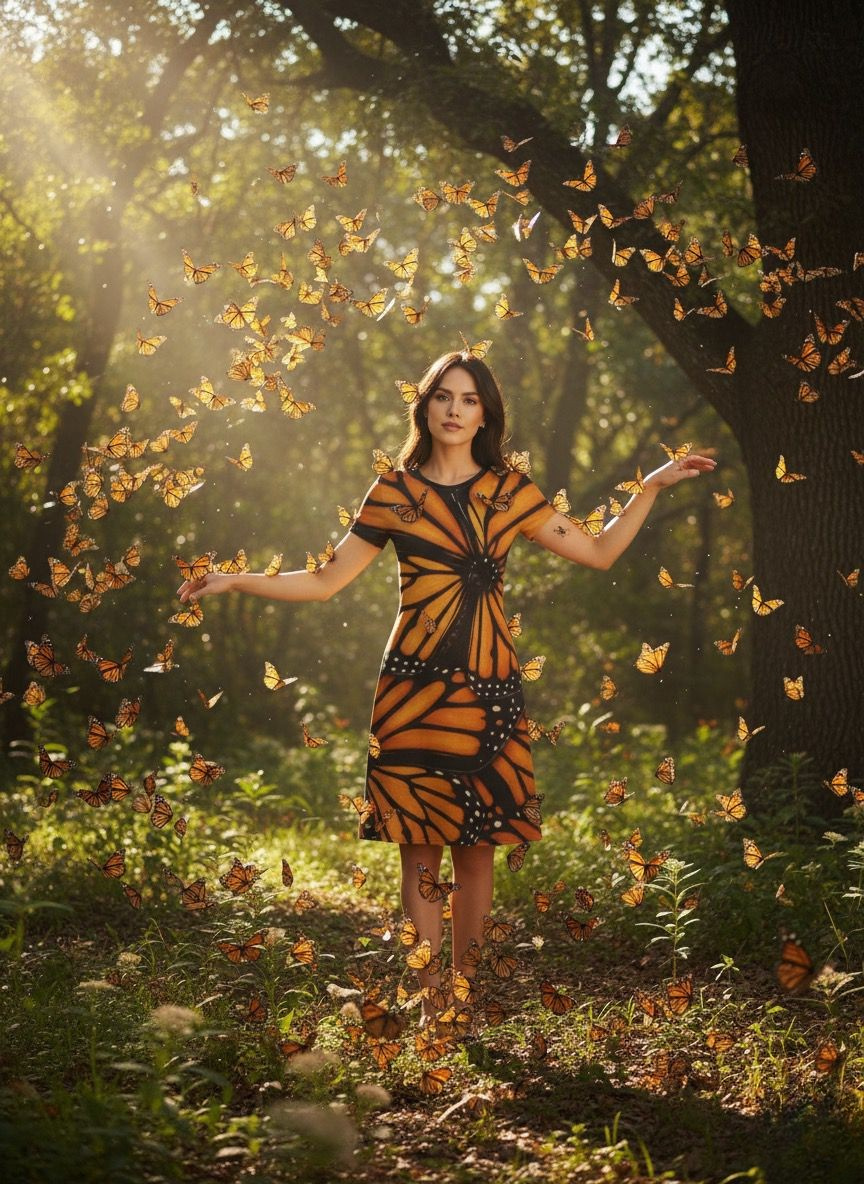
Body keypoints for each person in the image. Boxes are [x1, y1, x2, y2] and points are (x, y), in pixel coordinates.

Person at [176, 349, 716, 1019]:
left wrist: (651, 488)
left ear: (485, 414)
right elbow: (324, 581)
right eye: (443, 396)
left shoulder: (509, 491)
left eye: (468, 399)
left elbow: (600, 551)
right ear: (425, 407)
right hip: (411, 688)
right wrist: (236, 579)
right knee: (419, 852)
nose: (455, 410)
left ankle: (464, 997)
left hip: (490, 686)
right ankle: (429, 1001)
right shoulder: (393, 492)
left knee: (478, 851)